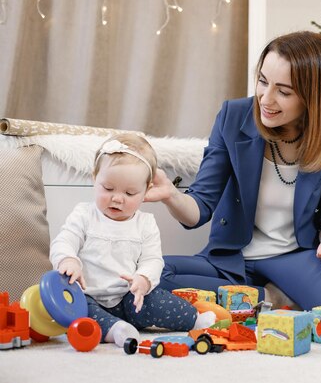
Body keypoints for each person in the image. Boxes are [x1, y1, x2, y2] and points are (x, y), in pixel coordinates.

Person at [145, 31, 321, 311]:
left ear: (313, 97)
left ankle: (244, 300)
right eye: (262, 81)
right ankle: (270, 298)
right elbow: (201, 206)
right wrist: (171, 196)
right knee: (154, 275)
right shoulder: (233, 116)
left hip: (294, 258)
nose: (266, 99)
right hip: (233, 258)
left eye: (283, 91)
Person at [49, 134, 216, 347]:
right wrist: (68, 260)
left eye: (129, 193)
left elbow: (153, 260)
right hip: (87, 295)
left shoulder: (145, 223)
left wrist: (143, 280)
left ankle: (193, 320)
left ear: (146, 191)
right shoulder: (84, 215)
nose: (117, 198)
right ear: (95, 178)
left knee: (157, 300)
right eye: (108, 188)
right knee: (78, 311)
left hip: (129, 296)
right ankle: (116, 329)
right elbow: (64, 241)